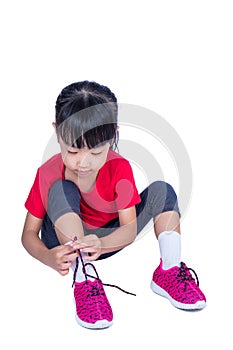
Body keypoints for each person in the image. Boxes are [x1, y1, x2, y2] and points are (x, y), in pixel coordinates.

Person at [22, 80, 206, 330]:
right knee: (62, 188)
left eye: (96, 152)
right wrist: (47, 256)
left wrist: (103, 243)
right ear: (57, 133)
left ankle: (169, 269)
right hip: (63, 244)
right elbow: (29, 234)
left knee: (162, 190)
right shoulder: (48, 172)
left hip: (105, 241)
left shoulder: (119, 168)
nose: (83, 163)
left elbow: (128, 228)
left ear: (113, 136)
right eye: (73, 151)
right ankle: (84, 280)